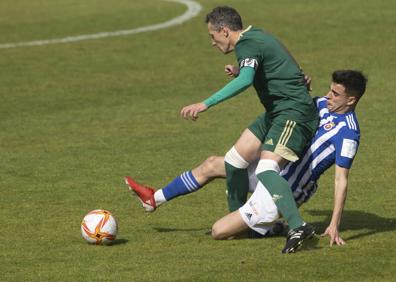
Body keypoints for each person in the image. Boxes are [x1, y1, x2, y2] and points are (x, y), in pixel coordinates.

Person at [125, 70, 367, 251]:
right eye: (330, 90)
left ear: (351, 100)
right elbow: (293, 106)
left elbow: (341, 179)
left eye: (335, 94)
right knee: (212, 164)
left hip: (288, 190)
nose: (328, 96)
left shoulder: (348, 133)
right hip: (271, 169)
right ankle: (153, 199)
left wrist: (334, 224)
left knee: (220, 231)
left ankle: (272, 227)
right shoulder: (322, 104)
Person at [183, 6, 319, 253]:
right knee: (234, 161)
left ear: (224, 31)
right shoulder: (255, 37)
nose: (212, 43)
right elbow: (272, 67)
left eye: (212, 36)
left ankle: (299, 226)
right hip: (276, 112)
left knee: (267, 168)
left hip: (293, 113)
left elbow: (245, 81)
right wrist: (242, 70)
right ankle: (242, 226)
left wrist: (204, 104)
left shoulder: (247, 44)